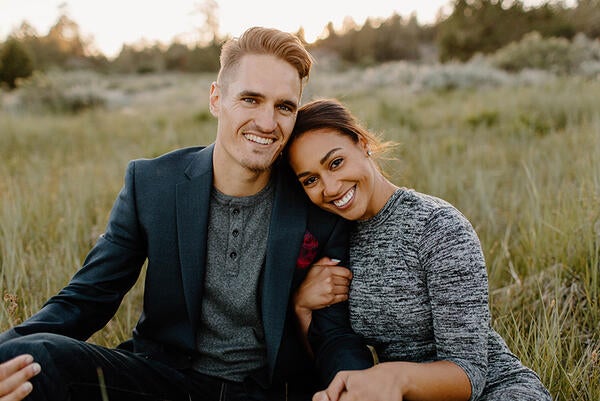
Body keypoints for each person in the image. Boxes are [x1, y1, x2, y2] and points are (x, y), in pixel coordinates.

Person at [0, 29, 373, 401]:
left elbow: (334, 335)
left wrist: (354, 386)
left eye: (284, 107)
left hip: (271, 392)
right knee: (25, 361)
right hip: (163, 382)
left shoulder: (317, 201)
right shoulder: (151, 184)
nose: (266, 122)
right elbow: (86, 299)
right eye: (250, 99)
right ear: (216, 99)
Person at [286, 98, 553, 401]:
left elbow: (470, 374)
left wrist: (393, 378)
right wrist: (301, 305)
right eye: (311, 180)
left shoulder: (438, 226)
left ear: (361, 144)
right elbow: (331, 348)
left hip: (494, 390)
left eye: (335, 163)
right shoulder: (337, 238)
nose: (331, 187)